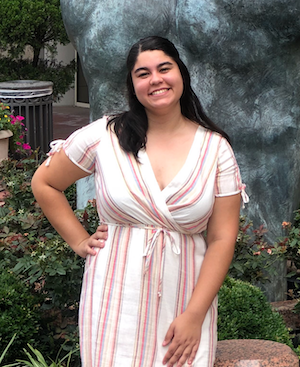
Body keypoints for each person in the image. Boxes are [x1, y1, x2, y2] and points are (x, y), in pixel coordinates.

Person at [31, 36, 248, 367]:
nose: (155, 79)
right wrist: (78, 240)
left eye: (164, 68)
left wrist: (194, 315)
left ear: (181, 74)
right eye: (142, 73)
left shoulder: (215, 149)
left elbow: (221, 238)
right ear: (132, 85)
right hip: (113, 295)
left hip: (185, 298)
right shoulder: (105, 136)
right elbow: (45, 182)